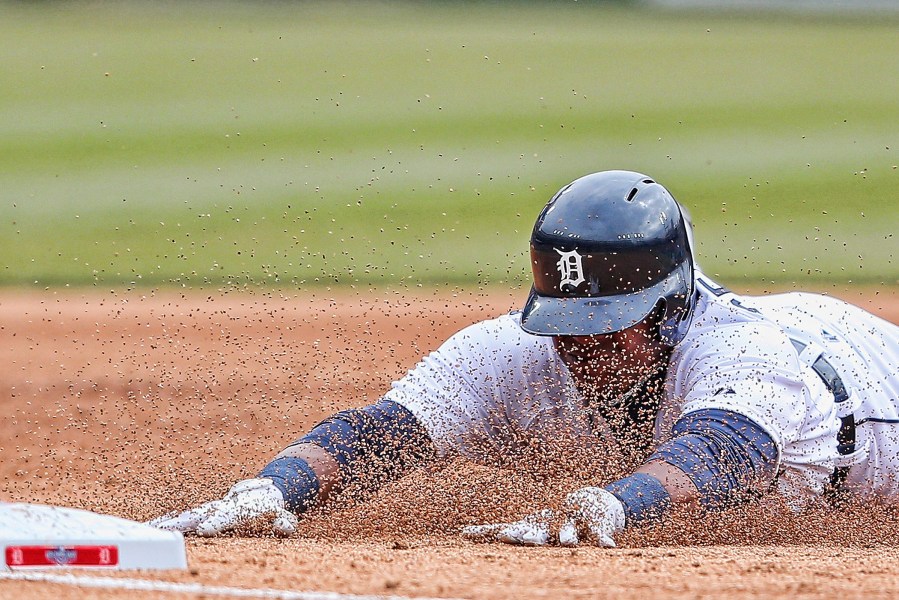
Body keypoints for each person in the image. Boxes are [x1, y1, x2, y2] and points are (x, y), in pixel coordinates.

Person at [150, 170, 899, 547]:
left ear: (670, 309)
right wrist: (275, 488)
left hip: (868, 382)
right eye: (567, 321)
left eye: (607, 324)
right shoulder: (514, 353)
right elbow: (383, 434)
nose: (580, 345)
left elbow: (721, 454)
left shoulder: (742, 352)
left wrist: (607, 506)